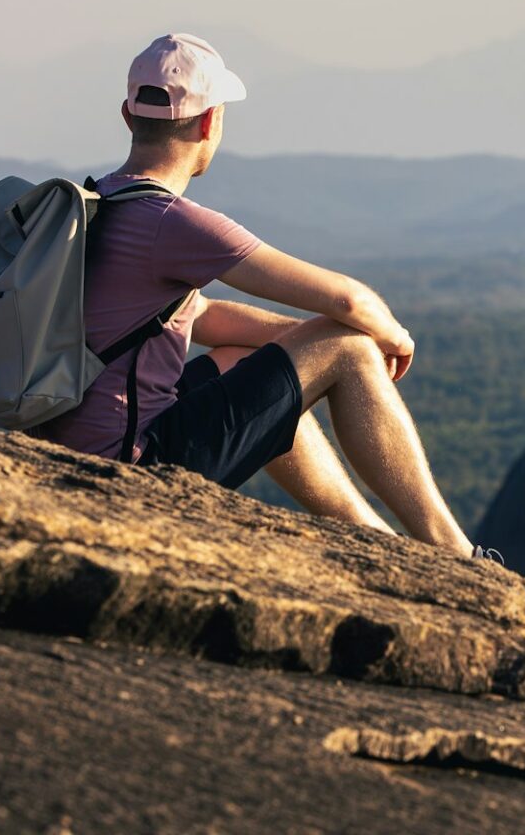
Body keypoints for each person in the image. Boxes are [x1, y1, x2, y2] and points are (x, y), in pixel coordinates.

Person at [26, 32, 495, 561]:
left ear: (128, 116)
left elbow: (199, 317)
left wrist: (300, 350)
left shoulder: (101, 202)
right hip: (132, 464)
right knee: (351, 348)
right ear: (210, 124)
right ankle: (456, 554)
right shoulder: (170, 223)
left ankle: (378, 543)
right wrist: (389, 337)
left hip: (78, 449)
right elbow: (345, 301)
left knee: (242, 362)